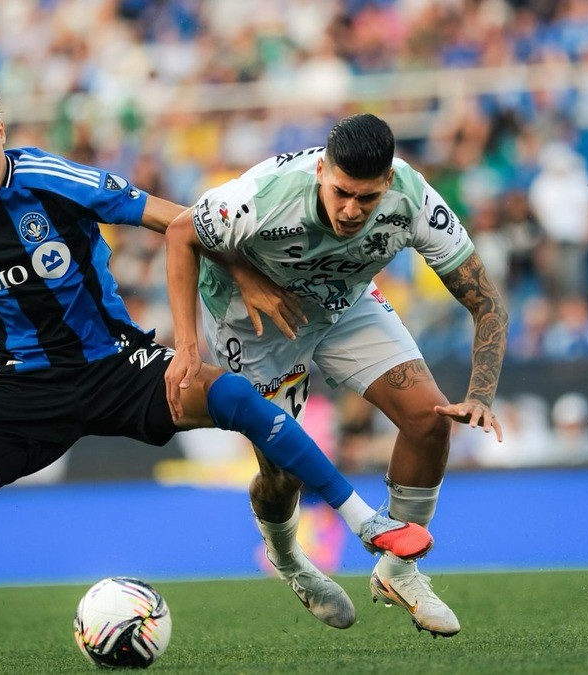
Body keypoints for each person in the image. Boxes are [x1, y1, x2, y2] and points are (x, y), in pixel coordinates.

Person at [0, 84, 431, 675]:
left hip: (116, 364)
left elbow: (178, 219)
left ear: (1, 132)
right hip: (27, 388)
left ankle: (366, 521)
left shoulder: (52, 178)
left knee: (232, 394)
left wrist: (246, 273)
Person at [164, 113, 509, 637]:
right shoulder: (267, 193)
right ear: (322, 170)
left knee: (430, 419)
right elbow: (180, 232)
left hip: (343, 306)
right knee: (286, 473)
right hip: (254, 323)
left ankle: (400, 570)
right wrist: (191, 342)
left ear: (388, 183)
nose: (351, 210)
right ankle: (289, 561)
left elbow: (488, 303)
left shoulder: (413, 200)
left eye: (366, 199)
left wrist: (481, 394)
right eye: (341, 193)